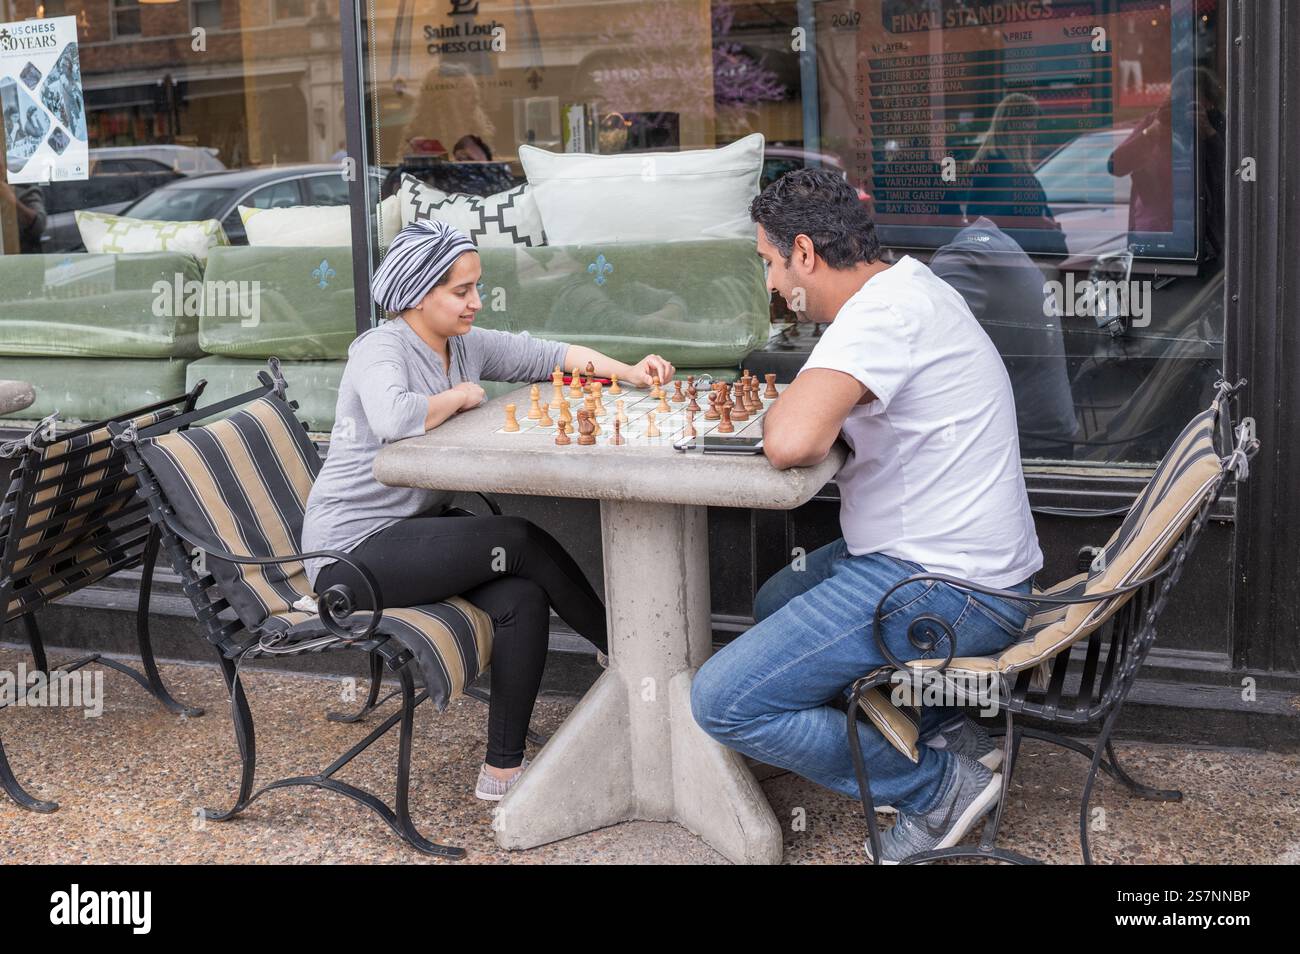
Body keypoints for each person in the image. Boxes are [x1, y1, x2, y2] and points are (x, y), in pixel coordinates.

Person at [690, 170, 1044, 863]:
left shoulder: (881, 314)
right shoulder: (905, 286)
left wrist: (789, 414)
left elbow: (793, 441)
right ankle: (939, 725)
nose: (770, 285)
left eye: (768, 263)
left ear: (804, 251)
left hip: (947, 588)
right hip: (970, 567)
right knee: (779, 596)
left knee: (723, 702)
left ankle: (936, 787)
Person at [301, 219, 676, 801]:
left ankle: (502, 771)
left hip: (415, 536)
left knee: (521, 598)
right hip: (350, 555)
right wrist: (461, 395)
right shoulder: (381, 347)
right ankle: (627, 651)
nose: (476, 302)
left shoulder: (463, 344)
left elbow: (543, 354)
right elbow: (394, 417)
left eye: (476, 287)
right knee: (519, 538)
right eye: (461, 291)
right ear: (419, 292)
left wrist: (628, 372)